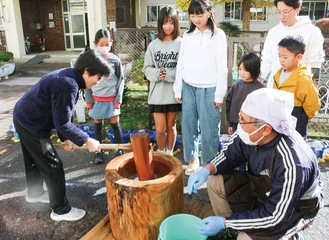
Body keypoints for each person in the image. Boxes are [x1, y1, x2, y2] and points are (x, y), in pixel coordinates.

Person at [187, 88, 323, 240]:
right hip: (263, 190)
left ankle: (289, 235)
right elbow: (230, 152)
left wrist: (225, 222)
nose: (239, 124)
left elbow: (275, 216)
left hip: (295, 208)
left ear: (266, 129)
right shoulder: (252, 131)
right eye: (240, 116)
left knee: (245, 238)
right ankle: (231, 230)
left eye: (243, 120)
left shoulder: (293, 163)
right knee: (214, 180)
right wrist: (206, 169)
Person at [13, 50, 112, 221]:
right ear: (87, 70)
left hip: (24, 116)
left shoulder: (69, 77)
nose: (98, 82)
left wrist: (65, 138)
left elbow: (58, 114)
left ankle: (35, 193)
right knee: (53, 165)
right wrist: (87, 140)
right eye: (98, 76)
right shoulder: (68, 84)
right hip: (32, 124)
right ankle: (60, 210)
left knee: (33, 160)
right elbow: (63, 123)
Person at [173, 0, 227, 175]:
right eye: (193, 15)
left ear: (209, 13)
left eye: (200, 14)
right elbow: (181, 63)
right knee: (188, 125)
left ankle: (209, 162)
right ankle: (192, 159)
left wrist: (219, 95)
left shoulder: (218, 35)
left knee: (209, 126)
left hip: (210, 88)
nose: (196, 19)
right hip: (189, 86)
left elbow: (222, 67)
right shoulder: (188, 36)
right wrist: (178, 88)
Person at [142, 6, 182, 156]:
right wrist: (159, 73)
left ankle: (169, 154)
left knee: (171, 126)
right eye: (164, 23)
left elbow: (184, 69)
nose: (168, 26)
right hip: (157, 95)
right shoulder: (153, 45)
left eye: (171, 22)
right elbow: (146, 69)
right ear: (160, 24)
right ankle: (161, 154)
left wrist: (169, 74)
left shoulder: (181, 44)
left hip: (173, 93)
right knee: (159, 129)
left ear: (176, 23)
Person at [260, 0, 324, 88]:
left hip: (299, 89)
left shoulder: (312, 31)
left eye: (285, 12)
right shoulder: (274, 32)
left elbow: (315, 63)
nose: (281, 16)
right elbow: (267, 59)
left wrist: (313, 88)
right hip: (275, 87)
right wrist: (258, 79)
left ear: (297, 8)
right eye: (278, 12)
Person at [84, 29, 125, 163]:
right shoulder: (91, 61)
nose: (104, 47)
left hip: (112, 100)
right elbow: (86, 82)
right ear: (95, 43)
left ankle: (119, 149)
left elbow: (121, 80)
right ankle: (98, 152)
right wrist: (89, 101)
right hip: (96, 100)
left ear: (111, 43)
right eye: (101, 44)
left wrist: (118, 99)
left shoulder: (115, 60)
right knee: (98, 124)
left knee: (115, 123)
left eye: (107, 44)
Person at [272, 35, 320, 138]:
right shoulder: (278, 74)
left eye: (285, 57)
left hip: (296, 122)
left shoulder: (302, 78)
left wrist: (302, 117)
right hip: (278, 121)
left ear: (298, 57)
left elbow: (313, 104)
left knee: (295, 149)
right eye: (279, 56)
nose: (281, 60)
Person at [226, 52, 264, 135]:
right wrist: (230, 124)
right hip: (236, 124)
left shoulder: (260, 89)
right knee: (236, 146)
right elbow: (228, 103)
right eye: (240, 69)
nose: (242, 73)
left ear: (254, 69)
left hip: (252, 127)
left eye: (246, 70)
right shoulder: (236, 86)